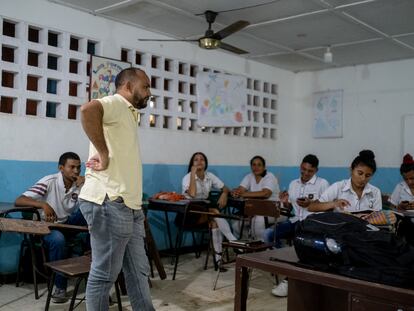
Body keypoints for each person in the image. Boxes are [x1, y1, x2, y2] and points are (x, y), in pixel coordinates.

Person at [78, 68, 154, 311]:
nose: (149, 93)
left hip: (130, 207)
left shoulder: (130, 114)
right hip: (109, 201)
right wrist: (103, 153)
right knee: (104, 276)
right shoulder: (116, 103)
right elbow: (88, 109)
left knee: (139, 272)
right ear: (128, 87)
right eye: (145, 87)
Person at [15, 152, 87, 303]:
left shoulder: (80, 184)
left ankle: (94, 283)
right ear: (61, 168)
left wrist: (85, 188)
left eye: (78, 167)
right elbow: (19, 200)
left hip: (67, 224)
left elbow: (87, 209)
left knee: (94, 215)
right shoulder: (50, 181)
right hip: (47, 228)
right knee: (58, 239)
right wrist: (43, 204)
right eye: (72, 167)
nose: (76, 171)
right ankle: (60, 287)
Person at [264, 154, 329, 297]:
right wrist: (285, 202)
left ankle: (290, 278)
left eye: (310, 171)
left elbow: (326, 206)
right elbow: (290, 208)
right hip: (295, 221)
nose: (306, 174)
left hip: (312, 223)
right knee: (268, 234)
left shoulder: (322, 183)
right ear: (300, 167)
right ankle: (288, 264)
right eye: (303, 170)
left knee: (300, 243)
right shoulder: (294, 184)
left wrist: (310, 204)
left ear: (316, 170)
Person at [182, 152, 237, 267]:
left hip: (205, 212)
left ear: (205, 163)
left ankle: (218, 260)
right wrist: (193, 174)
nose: (199, 161)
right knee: (214, 212)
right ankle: (234, 242)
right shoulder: (187, 178)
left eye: (202, 159)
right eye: (196, 160)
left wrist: (224, 194)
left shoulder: (209, 176)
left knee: (214, 222)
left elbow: (226, 188)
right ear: (192, 163)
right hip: (190, 214)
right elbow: (192, 194)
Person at [308, 150, 382, 215]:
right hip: (341, 229)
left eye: (368, 175)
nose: (363, 178)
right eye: (360, 173)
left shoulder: (375, 192)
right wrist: (333, 204)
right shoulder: (338, 187)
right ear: (351, 170)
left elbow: (378, 217)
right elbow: (312, 207)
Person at [231, 156, 280, 241]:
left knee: (257, 221)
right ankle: (247, 245)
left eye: (259, 165)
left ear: (264, 167)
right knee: (236, 224)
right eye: (253, 165)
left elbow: (266, 193)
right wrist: (236, 192)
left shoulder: (269, 176)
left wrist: (244, 194)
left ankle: (261, 246)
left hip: (274, 210)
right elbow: (241, 189)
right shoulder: (249, 176)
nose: (256, 167)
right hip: (255, 210)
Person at [389, 153, 414, 245]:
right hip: (404, 220)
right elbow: (391, 208)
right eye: (405, 179)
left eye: (412, 178)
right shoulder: (400, 187)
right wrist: (399, 207)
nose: (409, 182)